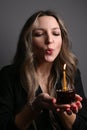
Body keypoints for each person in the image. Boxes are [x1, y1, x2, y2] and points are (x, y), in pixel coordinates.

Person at [0, 10, 87, 130]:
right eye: (39, 34)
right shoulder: (9, 76)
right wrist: (34, 108)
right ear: (28, 40)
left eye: (56, 33)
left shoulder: (72, 73)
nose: (49, 40)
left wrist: (62, 108)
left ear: (62, 39)